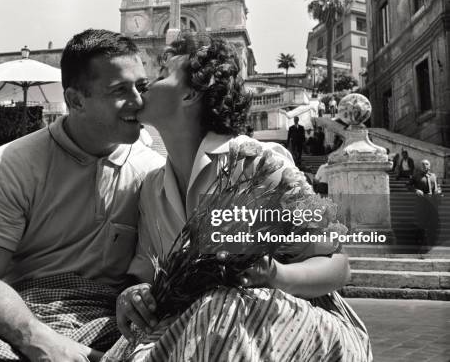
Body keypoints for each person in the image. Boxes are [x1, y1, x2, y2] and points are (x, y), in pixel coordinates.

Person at [0, 29, 164, 362]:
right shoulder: (12, 164)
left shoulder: (155, 171)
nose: (139, 103)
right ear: (76, 100)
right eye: (120, 90)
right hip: (17, 314)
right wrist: (41, 341)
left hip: (112, 320)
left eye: (142, 87)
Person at [103, 35, 372, 361]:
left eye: (162, 74)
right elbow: (148, 275)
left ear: (190, 93)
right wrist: (134, 296)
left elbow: (338, 265)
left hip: (285, 326)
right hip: (195, 328)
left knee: (221, 307)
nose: (147, 82)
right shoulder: (151, 187)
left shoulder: (257, 162)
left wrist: (276, 274)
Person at [409, 159, 442, 249]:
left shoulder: (434, 176)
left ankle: (432, 241)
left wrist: (439, 191)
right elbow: (408, 185)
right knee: (421, 222)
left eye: (427, 164)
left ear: (429, 166)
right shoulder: (416, 176)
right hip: (422, 202)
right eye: (423, 164)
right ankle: (418, 241)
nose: (425, 166)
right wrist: (416, 190)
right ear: (420, 167)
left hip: (432, 203)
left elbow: (437, 186)